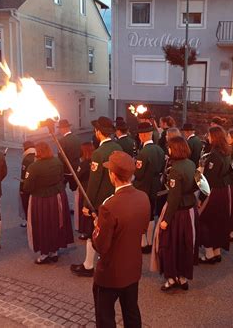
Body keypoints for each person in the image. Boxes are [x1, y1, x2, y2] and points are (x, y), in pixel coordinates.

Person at [92, 151, 150, 328]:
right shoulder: (143, 197)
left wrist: (97, 227)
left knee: (105, 317)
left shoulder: (109, 206)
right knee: (131, 312)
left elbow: (101, 246)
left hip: (111, 272)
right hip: (132, 267)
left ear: (113, 175)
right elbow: (142, 228)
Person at [71, 116, 122, 277]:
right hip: (116, 198)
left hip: (101, 202)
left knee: (95, 233)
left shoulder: (98, 153)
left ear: (99, 132)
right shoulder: (118, 147)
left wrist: (87, 204)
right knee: (113, 234)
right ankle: (110, 264)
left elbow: (94, 183)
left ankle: (88, 265)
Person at [151, 136, 198, 291]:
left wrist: (166, 220)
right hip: (190, 210)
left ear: (174, 149)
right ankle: (183, 278)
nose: (168, 149)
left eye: (170, 147)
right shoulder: (191, 163)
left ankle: (171, 278)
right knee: (185, 245)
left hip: (177, 213)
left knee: (168, 245)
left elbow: (174, 198)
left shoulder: (175, 169)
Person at [23, 142, 74, 264]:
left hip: (41, 199)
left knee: (42, 226)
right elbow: (62, 177)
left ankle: (45, 253)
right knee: (56, 223)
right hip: (58, 197)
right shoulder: (57, 162)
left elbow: (27, 187)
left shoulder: (34, 167)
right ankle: (54, 251)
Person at [198, 126, 232, 264]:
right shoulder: (227, 152)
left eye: (209, 135)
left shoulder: (214, 155)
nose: (208, 137)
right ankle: (217, 251)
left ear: (215, 137)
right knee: (218, 221)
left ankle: (209, 253)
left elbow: (208, 180)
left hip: (213, 192)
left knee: (205, 221)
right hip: (223, 191)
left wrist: (201, 198)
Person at [133, 122, 165, 254]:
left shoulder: (144, 152)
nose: (139, 137)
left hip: (143, 187)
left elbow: (138, 174)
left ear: (144, 134)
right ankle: (150, 241)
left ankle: (143, 242)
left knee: (142, 215)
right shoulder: (159, 149)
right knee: (151, 214)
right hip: (155, 185)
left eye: (140, 134)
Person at [75, 142, 95, 240]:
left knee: (84, 210)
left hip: (84, 189)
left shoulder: (83, 164)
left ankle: (86, 231)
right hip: (93, 188)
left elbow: (77, 176)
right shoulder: (95, 161)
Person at [57, 119, 82, 192]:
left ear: (63, 129)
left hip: (66, 169)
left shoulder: (62, 141)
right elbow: (81, 153)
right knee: (76, 189)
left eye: (60, 129)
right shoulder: (77, 138)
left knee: (61, 189)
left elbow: (61, 157)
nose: (59, 131)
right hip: (76, 167)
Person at [19, 141, 36, 228]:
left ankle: (28, 221)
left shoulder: (27, 158)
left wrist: (22, 189)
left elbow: (24, 175)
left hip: (27, 186)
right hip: (37, 186)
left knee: (27, 204)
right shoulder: (37, 155)